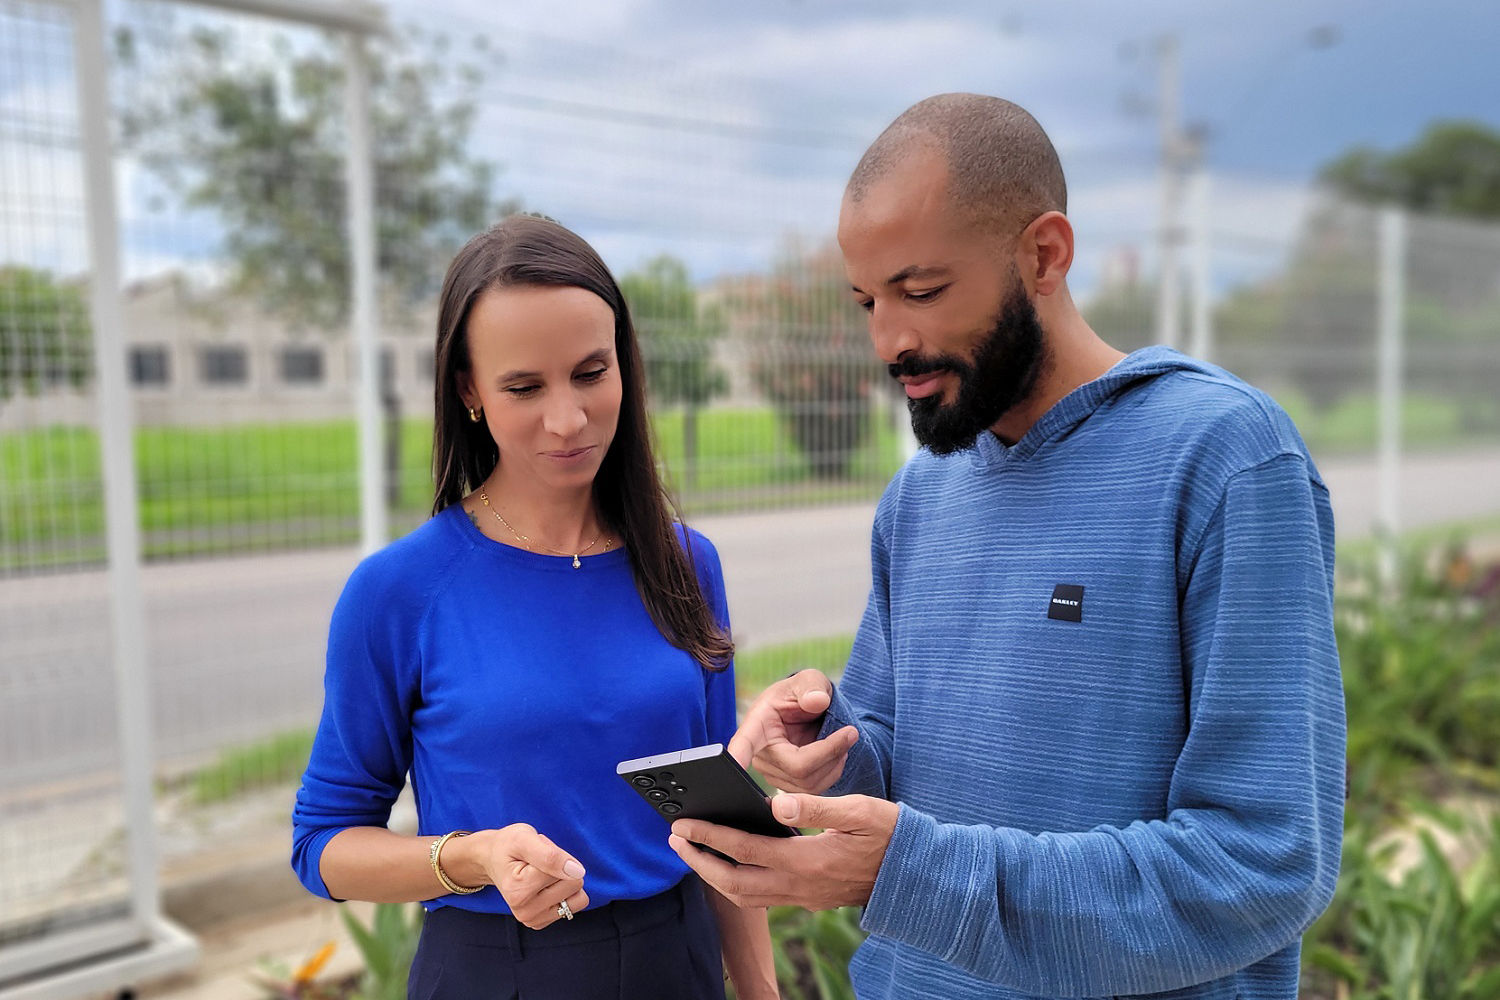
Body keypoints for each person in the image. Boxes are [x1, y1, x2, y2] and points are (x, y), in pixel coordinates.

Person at [667, 94, 1345, 1000]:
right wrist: (828, 752)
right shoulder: (921, 492)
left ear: (1045, 254)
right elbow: (899, 763)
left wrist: (905, 872)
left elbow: (1261, 864)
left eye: (922, 290)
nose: (889, 341)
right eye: (868, 300)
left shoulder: (1225, 460)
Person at [291, 215, 778, 1000]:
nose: (568, 418)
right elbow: (322, 844)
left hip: (677, 964)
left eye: (592, 372)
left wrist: (760, 990)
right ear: (468, 391)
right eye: (524, 386)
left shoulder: (687, 564)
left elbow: (720, 816)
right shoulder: (399, 592)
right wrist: (470, 856)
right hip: (494, 970)